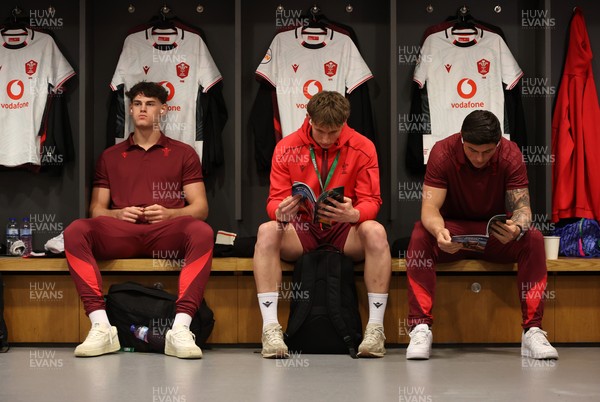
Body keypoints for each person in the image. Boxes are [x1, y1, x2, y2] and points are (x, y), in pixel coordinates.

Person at [64, 82, 213, 359]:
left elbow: (200, 207)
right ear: (130, 110)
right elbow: (96, 209)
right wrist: (116, 213)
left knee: (202, 231)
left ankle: (180, 329)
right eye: (137, 104)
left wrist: (171, 213)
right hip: (123, 232)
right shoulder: (110, 155)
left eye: (150, 103)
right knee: (76, 230)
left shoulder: (184, 152)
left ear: (163, 110)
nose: (143, 109)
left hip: (166, 233)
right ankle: (101, 326)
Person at [405, 110, 559, 360]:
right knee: (421, 233)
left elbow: (522, 208)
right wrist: (439, 231)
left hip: (496, 235)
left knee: (533, 238)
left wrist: (516, 228)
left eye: (487, 152)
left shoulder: (511, 154)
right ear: (462, 140)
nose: (479, 158)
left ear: (498, 144)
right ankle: (420, 327)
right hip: (452, 234)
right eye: (473, 151)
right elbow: (430, 208)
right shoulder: (442, 152)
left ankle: (533, 329)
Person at [253, 91, 391, 358]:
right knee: (266, 230)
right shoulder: (287, 147)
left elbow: (373, 200)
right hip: (303, 229)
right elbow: (273, 200)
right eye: (320, 131)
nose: (327, 139)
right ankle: (270, 329)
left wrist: (355, 214)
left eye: (334, 132)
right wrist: (279, 211)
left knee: (376, 230)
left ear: (345, 122)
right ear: (309, 120)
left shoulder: (363, 146)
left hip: (343, 230)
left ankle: (375, 330)